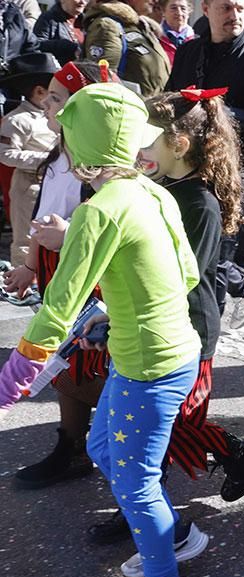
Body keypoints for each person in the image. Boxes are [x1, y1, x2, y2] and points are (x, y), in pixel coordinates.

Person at [0, 83, 203, 577]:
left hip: (148, 365)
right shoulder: (152, 190)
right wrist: (114, 312)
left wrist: (13, 376)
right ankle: (174, 535)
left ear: (78, 146)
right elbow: (185, 274)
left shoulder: (98, 212)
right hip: (172, 350)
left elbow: (56, 308)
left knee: (134, 480)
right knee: (98, 447)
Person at [142, 88, 244, 501]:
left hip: (189, 330)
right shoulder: (164, 184)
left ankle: (150, 507)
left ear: (178, 144)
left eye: (148, 137)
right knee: (166, 423)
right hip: (160, 325)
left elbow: (185, 276)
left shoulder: (198, 202)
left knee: (171, 423)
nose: (139, 146)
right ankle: (235, 455)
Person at [3, 61, 110, 496]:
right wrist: (30, 264)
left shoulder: (98, 166)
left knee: (92, 365)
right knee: (64, 364)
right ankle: (71, 446)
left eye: (58, 99)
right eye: (48, 97)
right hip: (54, 273)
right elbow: (42, 218)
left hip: (90, 281)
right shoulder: (56, 154)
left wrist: (68, 238)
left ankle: (128, 453)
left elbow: (104, 231)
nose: (48, 106)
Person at [167, 0, 244, 317]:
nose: (234, 15)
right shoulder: (190, 53)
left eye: (238, 7)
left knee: (215, 261)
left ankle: (204, 345)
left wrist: (224, 161)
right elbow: (170, 104)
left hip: (235, 176)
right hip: (186, 171)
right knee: (187, 251)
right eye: (225, 7)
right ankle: (243, 288)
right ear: (205, 8)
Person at [0, 53, 59, 273]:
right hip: (29, 185)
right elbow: (5, 154)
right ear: (39, 92)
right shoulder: (18, 120)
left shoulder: (53, 115)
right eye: (52, 93)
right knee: (26, 236)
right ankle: (21, 282)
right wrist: (44, 160)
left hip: (52, 183)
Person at [81, 0, 169, 95]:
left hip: (152, 106)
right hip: (128, 107)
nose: (155, 0)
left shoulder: (139, 25)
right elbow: (104, 83)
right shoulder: (108, 26)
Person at [33, 0, 86, 66]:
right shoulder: (48, 18)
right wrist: (66, 46)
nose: (83, 2)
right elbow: (37, 45)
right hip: (58, 71)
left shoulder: (87, 22)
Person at [158, 0, 194, 65]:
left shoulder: (197, 41)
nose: (179, 13)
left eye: (183, 8)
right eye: (173, 8)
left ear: (189, 12)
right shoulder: (154, 39)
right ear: (163, 11)